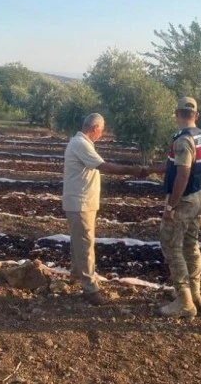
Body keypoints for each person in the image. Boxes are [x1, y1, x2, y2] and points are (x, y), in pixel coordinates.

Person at [62, 113, 144, 306]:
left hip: (80, 202)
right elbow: (105, 167)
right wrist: (134, 171)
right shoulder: (81, 144)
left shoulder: (79, 142)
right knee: (85, 245)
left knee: (78, 241)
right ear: (94, 128)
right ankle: (90, 288)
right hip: (81, 203)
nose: (103, 133)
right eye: (102, 129)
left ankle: (75, 275)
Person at [147, 97, 201, 319]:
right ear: (196, 115)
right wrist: (151, 169)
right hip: (197, 197)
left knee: (172, 247)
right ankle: (194, 293)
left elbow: (183, 173)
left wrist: (170, 206)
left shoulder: (183, 141)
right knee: (191, 245)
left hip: (182, 201)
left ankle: (184, 301)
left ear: (176, 113)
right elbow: (177, 166)